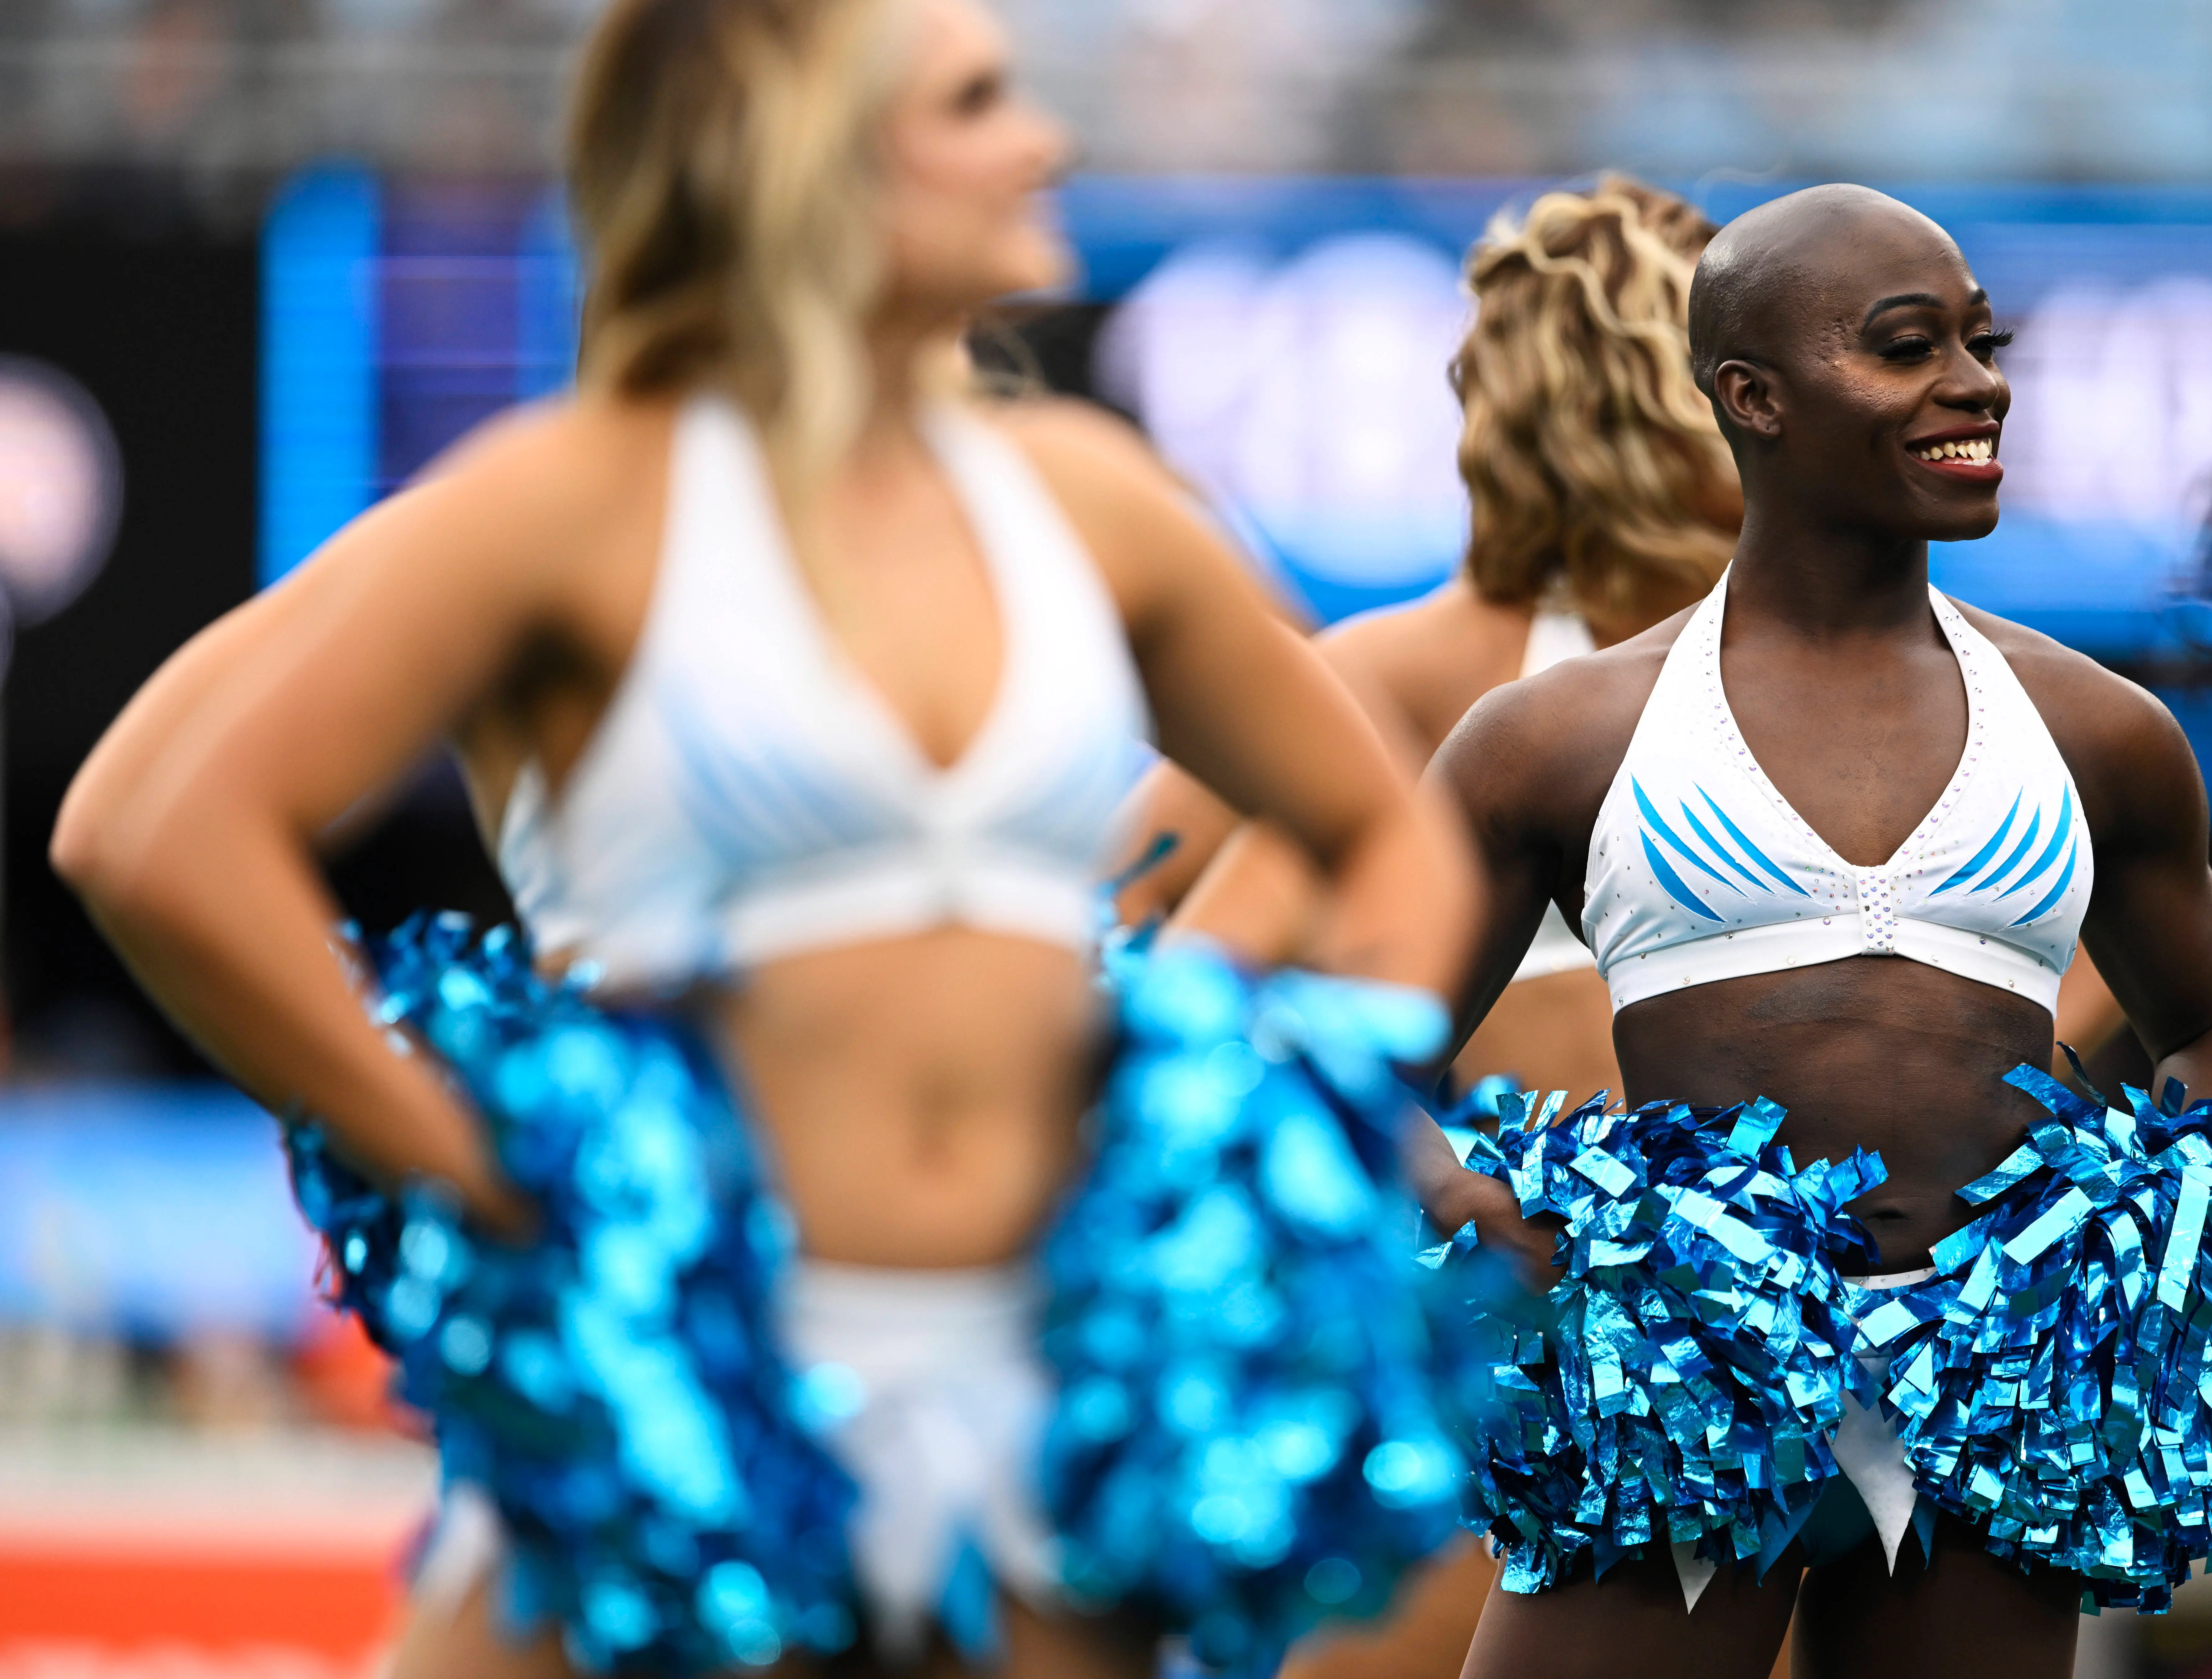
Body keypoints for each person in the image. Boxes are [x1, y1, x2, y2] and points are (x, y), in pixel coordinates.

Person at [49, 2, 1474, 1675]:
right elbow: (150, 831)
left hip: (1042, 1372)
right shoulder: (569, 501)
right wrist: (468, 1164)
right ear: (815, 154)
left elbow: (1385, 828)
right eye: (976, 101)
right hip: (697, 1367)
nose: (1045, 140)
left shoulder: (1084, 501)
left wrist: (1260, 1118)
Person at [1407, 184, 2212, 1679]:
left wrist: (2185, 1215)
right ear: (1750, 398)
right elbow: (1360, 1045)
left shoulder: (2098, 730)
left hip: (1991, 1395)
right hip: (1687, 1392)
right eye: (1906, 348)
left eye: (1980, 340)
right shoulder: (1556, 737)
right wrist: (1490, 1216)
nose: (1977, 383)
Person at [1117, 175, 1739, 1130]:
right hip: (1477, 1266)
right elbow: (1115, 914)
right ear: (1656, 405)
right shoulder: (1406, 672)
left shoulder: (1866, 653)